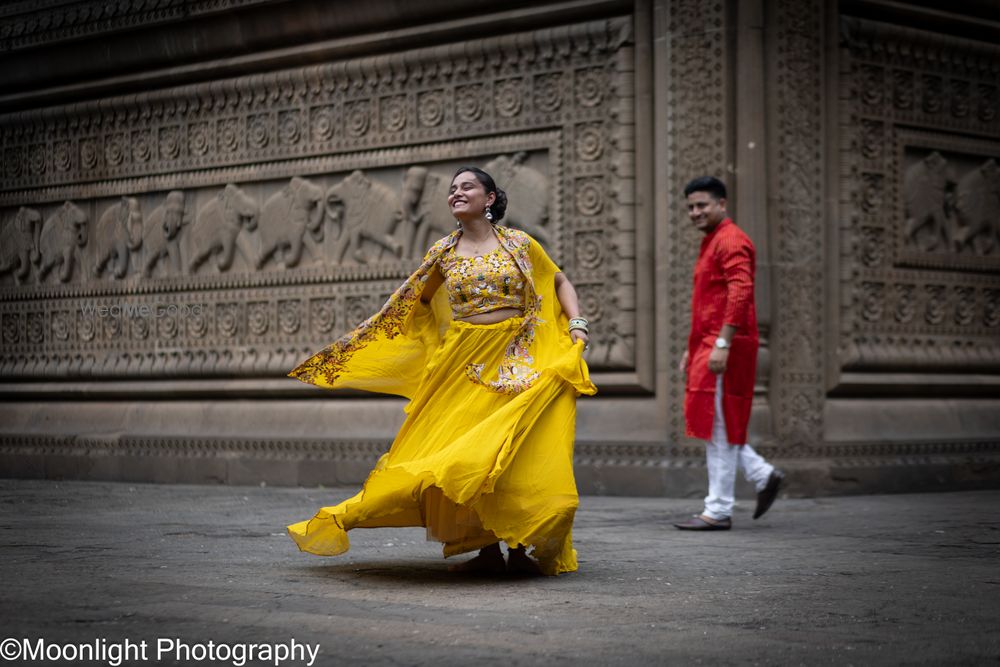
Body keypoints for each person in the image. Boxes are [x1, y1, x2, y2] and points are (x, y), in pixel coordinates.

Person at [287, 167, 597, 574]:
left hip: (520, 357)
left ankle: (520, 543)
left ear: (489, 199)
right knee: (462, 456)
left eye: (467, 186)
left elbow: (558, 283)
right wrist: (421, 347)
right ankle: (485, 547)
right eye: (452, 189)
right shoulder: (442, 253)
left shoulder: (520, 244)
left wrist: (576, 325)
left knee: (511, 452)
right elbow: (411, 305)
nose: (456, 193)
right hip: (463, 364)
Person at [674, 176, 783, 531]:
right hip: (711, 343)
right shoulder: (713, 241)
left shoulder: (732, 239)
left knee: (718, 425)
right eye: (690, 206)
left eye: (702, 205)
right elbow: (711, 302)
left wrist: (721, 344)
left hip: (726, 345)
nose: (695, 212)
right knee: (717, 423)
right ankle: (762, 474)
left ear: (722, 204)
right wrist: (693, 352)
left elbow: (740, 293)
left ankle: (718, 510)